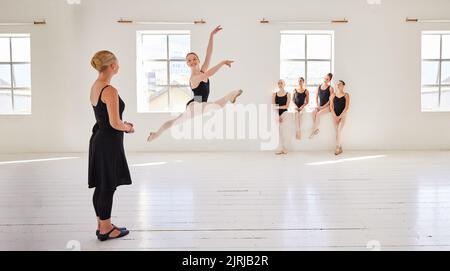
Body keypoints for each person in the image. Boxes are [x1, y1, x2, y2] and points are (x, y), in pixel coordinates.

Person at [147, 26, 242, 142]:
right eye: (189, 60)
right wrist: (222, 63)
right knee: (214, 106)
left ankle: (156, 134)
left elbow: (209, 53)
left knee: (214, 107)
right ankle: (157, 134)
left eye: (194, 59)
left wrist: (211, 35)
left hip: (201, 104)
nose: (192, 61)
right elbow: (209, 74)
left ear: (198, 60)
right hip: (194, 105)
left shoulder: (203, 70)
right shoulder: (194, 78)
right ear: (187, 64)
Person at [89, 50, 133, 241]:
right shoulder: (110, 90)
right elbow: (115, 123)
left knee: (101, 184)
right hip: (108, 142)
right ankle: (106, 229)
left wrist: (120, 125)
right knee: (108, 185)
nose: (119, 65)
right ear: (112, 66)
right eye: (118, 62)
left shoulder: (96, 86)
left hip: (99, 139)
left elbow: (106, 119)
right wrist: (128, 128)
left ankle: (102, 224)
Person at [310, 73, 334, 139]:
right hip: (320, 106)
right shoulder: (319, 87)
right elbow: (316, 97)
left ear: (329, 80)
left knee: (318, 114)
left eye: (327, 79)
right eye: (325, 78)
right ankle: (316, 129)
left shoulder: (330, 88)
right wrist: (318, 105)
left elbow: (330, 100)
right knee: (313, 113)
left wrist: (322, 107)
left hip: (328, 107)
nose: (325, 80)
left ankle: (312, 131)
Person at [330, 80, 350, 155]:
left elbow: (346, 107)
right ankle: (340, 147)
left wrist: (340, 116)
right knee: (337, 132)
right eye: (337, 84)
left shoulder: (346, 95)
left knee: (338, 130)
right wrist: (335, 116)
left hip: (343, 115)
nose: (338, 85)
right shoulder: (333, 95)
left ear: (343, 86)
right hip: (335, 115)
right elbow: (331, 106)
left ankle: (337, 148)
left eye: (340, 84)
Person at [272, 79, 291, 155]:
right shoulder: (274, 94)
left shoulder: (288, 94)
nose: (280, 84)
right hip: (276, 114)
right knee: (278, 131)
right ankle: (280, 148)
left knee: (284, 131)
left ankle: (284, 148)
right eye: (279, 83)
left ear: (284, 84)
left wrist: (278, 107)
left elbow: (286, 106)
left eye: (281, 83)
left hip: (284, 113)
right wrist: (277, 115)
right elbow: (274, 106)